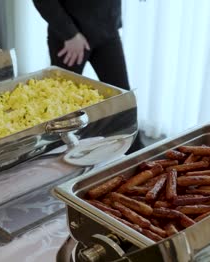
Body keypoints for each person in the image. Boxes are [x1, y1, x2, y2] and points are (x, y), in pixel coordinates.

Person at [33, 0, 144, 152]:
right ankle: (52, 161)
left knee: (123, 100)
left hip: (107, 31)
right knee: (61, 107)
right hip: (70, 39)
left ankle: (137, 156)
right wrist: (70, 34)